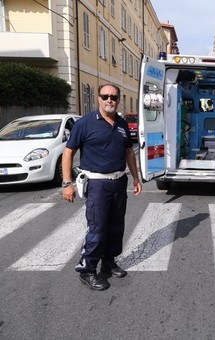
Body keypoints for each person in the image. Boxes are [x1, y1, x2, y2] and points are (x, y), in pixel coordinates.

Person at [62, 84, 142, 291]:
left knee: (116, 226)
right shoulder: (85, 124)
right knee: (97, 227)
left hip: (118, 182)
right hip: (97, 183)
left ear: (118, 99)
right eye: (105, 96)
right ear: (98, 98)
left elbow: (129, 153)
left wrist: (135, 177)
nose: (109, 100)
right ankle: (87, 270)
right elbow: (68, 152)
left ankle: (108, 262)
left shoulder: (122, 124)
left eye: (113, 97)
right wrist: (67, 183)